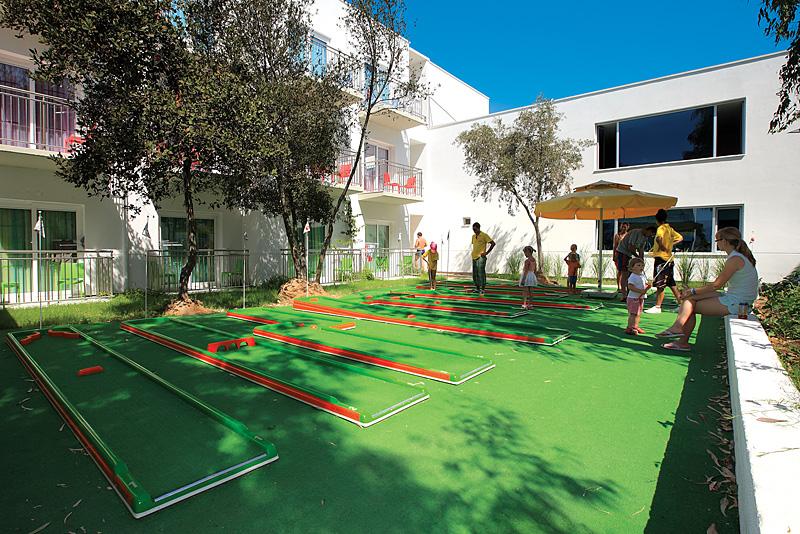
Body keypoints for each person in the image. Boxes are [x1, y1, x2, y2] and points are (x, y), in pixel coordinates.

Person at [657, 227, 759, 351]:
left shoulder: (735, 259)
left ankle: (681, 338)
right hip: (737, 299)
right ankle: (678, 330)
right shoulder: (738, 257)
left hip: (738, 303)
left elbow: (716, 285)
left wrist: (693, 290)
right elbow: (716, 285)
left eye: (717, 240)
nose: (716, 243)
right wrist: (692, 292)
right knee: (689, 299)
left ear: (725, 241)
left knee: (689, 306)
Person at [645, 209, 683, 314]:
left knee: (660, 283)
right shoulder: (670, 228)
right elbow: (680, 238)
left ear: (657, 220)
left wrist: (663, 247)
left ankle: (658, 306)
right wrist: (670, 245)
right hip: (669, 259)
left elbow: (658, 239)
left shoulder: (661, 228)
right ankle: (681, 304)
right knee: (671, 282)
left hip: (661, 259)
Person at [616, 226, 657, 301]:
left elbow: (641, 249)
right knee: (625, 273)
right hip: (623, 252)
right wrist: (637, 257)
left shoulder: (645, 237)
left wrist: (641, 260)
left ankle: (629, 293)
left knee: (629, 273)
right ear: (648, 230)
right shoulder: (636, 232)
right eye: (651, 234)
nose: (650, 236)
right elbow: (630, 247)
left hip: (629, 254)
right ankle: (624, 295)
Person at [625, 257, 652, 335]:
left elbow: (644, 285)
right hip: (633, 298)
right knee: (633, 313)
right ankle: (630, 328)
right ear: (632, 267)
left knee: (638, 313)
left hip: (640, 298)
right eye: (638, 265)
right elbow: (630, 287)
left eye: (642, 265)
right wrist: (640, 291)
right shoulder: (633, 276)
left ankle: (635, 326)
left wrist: (647, 286)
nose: (641, 267)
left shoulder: (642, 276)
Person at [470, 222, 495, 295]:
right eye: (473, 229)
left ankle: (483, 289)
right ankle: (477, 288)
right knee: (475, 274)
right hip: (474, 256)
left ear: (478, 228)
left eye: (475, 229)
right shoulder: (473, 236)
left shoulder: (484, 235)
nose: (474, 231)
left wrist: (486, 253)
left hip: (481, 257)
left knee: (481, 273)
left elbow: (493, 243)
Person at [613, 222, 630, 293]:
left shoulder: (628, 235)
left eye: (625, 227)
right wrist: (614, 255)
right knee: (619, 271)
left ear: (628, 227)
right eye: (622, 227)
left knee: (626, 271)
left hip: (626, 255)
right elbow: (615, 246)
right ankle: (618, 286)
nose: (623, 228)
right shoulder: (617, 235)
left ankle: (626, 287)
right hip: (618, 255)